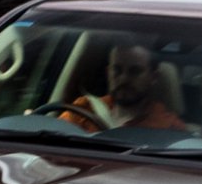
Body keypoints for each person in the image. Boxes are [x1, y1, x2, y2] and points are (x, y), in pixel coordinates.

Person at [61, 43, 189, 132]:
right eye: (117, 70)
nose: (123, 79)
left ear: (153, 77)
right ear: (108, 73)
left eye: (135, 71)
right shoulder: (83, 109)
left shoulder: (170, 127)